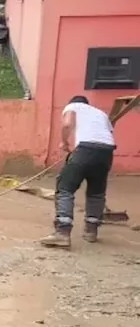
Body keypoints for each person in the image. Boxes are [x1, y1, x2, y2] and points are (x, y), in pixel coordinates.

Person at [40, 96, 116, 248]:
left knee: (65, 188)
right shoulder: (100, 113)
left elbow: (67, 124)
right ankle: (91, 231)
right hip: (107, 152)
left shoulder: (73, 107)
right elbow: (106, 132)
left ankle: (62, 232)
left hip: (85, 149)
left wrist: (64, 142)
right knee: (96, 192)